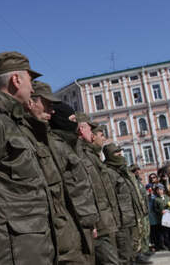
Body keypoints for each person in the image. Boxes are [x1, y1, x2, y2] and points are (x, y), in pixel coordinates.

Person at [0, 52, 56, 265]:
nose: (33, 89)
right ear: (16, 80)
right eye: (30, 81)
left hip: (29, 243)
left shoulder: (11, 120)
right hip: (11, 249)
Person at [24, 81, 91, 264]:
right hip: (45, 236)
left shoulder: (59, 143)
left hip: (71, 228)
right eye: (47, 104)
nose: (51, 111)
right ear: (31, 102)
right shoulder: (44, 141)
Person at [50, 102, 101, 264]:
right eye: (73, 120)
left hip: (88, 221)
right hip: (70, 226)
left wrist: (91, 220)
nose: (78, 128)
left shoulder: (74, 147)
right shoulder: (58, 146)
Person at [74, 113, 121, 265]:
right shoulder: (79, 154)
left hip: (106, 221)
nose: (93, 135)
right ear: (81, 129)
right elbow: (85, 190)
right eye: (90, 129)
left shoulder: (91, 155)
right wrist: (92, 222)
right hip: (98, 223)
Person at [103, 144, 152, 265]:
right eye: (117, 154)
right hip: (121, 220)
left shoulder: (123, 172)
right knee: (124, 253)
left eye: (121, 154)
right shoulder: (108, 172)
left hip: (131, 217)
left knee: (132, 248)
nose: (121, 157)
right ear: (110, 156)